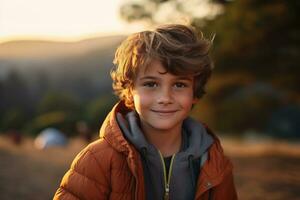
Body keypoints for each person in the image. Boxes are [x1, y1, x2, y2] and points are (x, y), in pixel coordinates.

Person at [54, 24, 238, 200]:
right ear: (130, 91)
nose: (165, 98)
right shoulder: (97, 160)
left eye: (179, 84)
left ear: (195, 93)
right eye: (151, 84)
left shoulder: (214, 162)